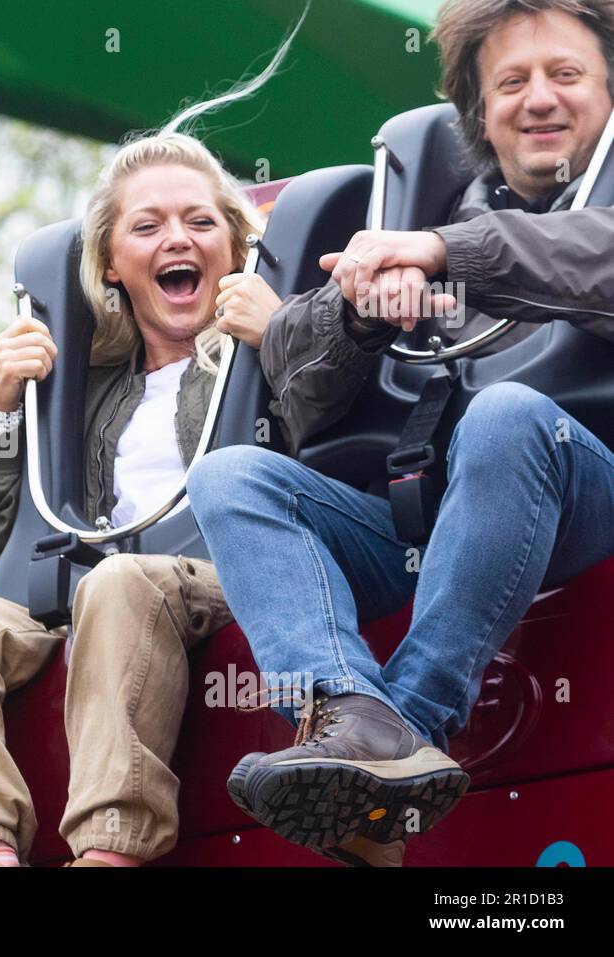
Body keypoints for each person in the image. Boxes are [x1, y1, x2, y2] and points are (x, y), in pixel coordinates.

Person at [188, 0, 614, 866]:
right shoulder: (440, 206)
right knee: (234, 477)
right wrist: (354, 313)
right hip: (438, 514)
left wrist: (443, 252)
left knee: (507, 414)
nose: (538, 99)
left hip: (585, 490)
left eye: (565, 75)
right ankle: (346, 712)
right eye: (511, 82)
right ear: (477, 112)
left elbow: (591, 256)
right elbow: (294, 371)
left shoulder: (454, 232)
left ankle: (408, 724)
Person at [0, 56, 304, 865]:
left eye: (201, 223)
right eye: (147, 226)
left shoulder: (265, 347)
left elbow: (331, 456)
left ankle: (109, 849)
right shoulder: (91, 391)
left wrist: (283, 337)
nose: (177, 238)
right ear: (111, 264)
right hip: (83, 592)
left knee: (121, 583)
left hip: (213, 578)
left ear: (237, 245)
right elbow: (11, 538)